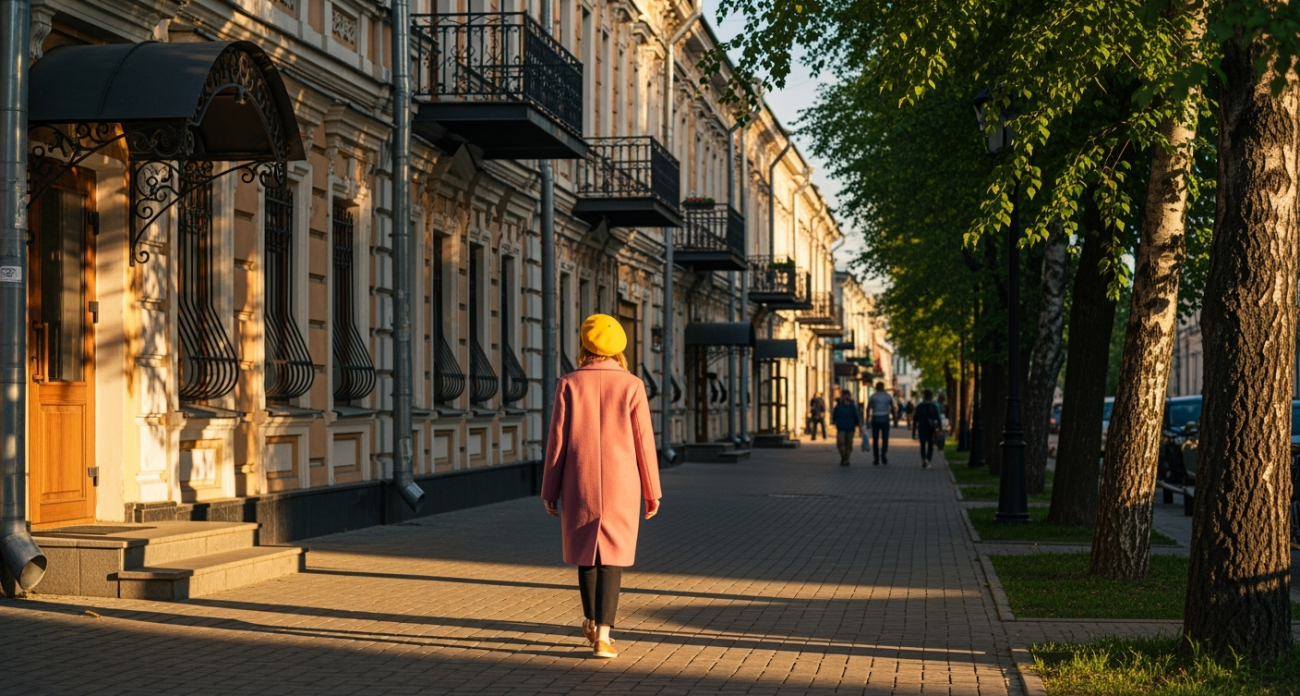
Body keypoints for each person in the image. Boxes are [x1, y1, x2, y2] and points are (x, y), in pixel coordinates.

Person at [541, 314, 663, 659]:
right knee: (612, 558)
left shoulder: (568, 383)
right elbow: (644, 442)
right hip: (622, 483)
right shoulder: (632, 385)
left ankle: (592, 622)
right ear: (619, 347)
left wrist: (549, 490)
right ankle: (603, 637)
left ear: (585, 344)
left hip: (579, 480)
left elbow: (557, 441)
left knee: (586, 554)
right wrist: (652, 491)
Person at [865, 382, 895, 465]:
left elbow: (868, 408)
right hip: (885, 418)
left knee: (875, 439)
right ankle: (883, 454)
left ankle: (876, 458)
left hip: (875, 418)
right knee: (885, 438)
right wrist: (894, 418)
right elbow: (892, 407)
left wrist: (867, 421)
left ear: (876, 388)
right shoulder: (887, 396)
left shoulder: (873, 396)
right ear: (883, 387)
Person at [831, 392, 863, 466]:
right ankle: (844, 457)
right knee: (841, 443)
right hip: (841, 427)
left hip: (850, 428)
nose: (846, 398)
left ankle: (846, 459)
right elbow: (834, 415)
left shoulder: (852, 406)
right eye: (844, 396)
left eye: (847, 396)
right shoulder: (839, 406)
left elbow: (856, 416)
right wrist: (834, 422)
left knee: (848, 444)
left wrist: (859, 425)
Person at [915, 389, 942, 467]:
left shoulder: (920, 406)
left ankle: (924, 459)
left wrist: (913, 432)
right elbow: (938, 418)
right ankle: (928, 459)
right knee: (930, 444)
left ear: (923, 397)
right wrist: (939, 428)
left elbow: (915, 418)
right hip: (931, 427)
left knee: (923, 444)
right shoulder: (933, 406)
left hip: (922, 427)